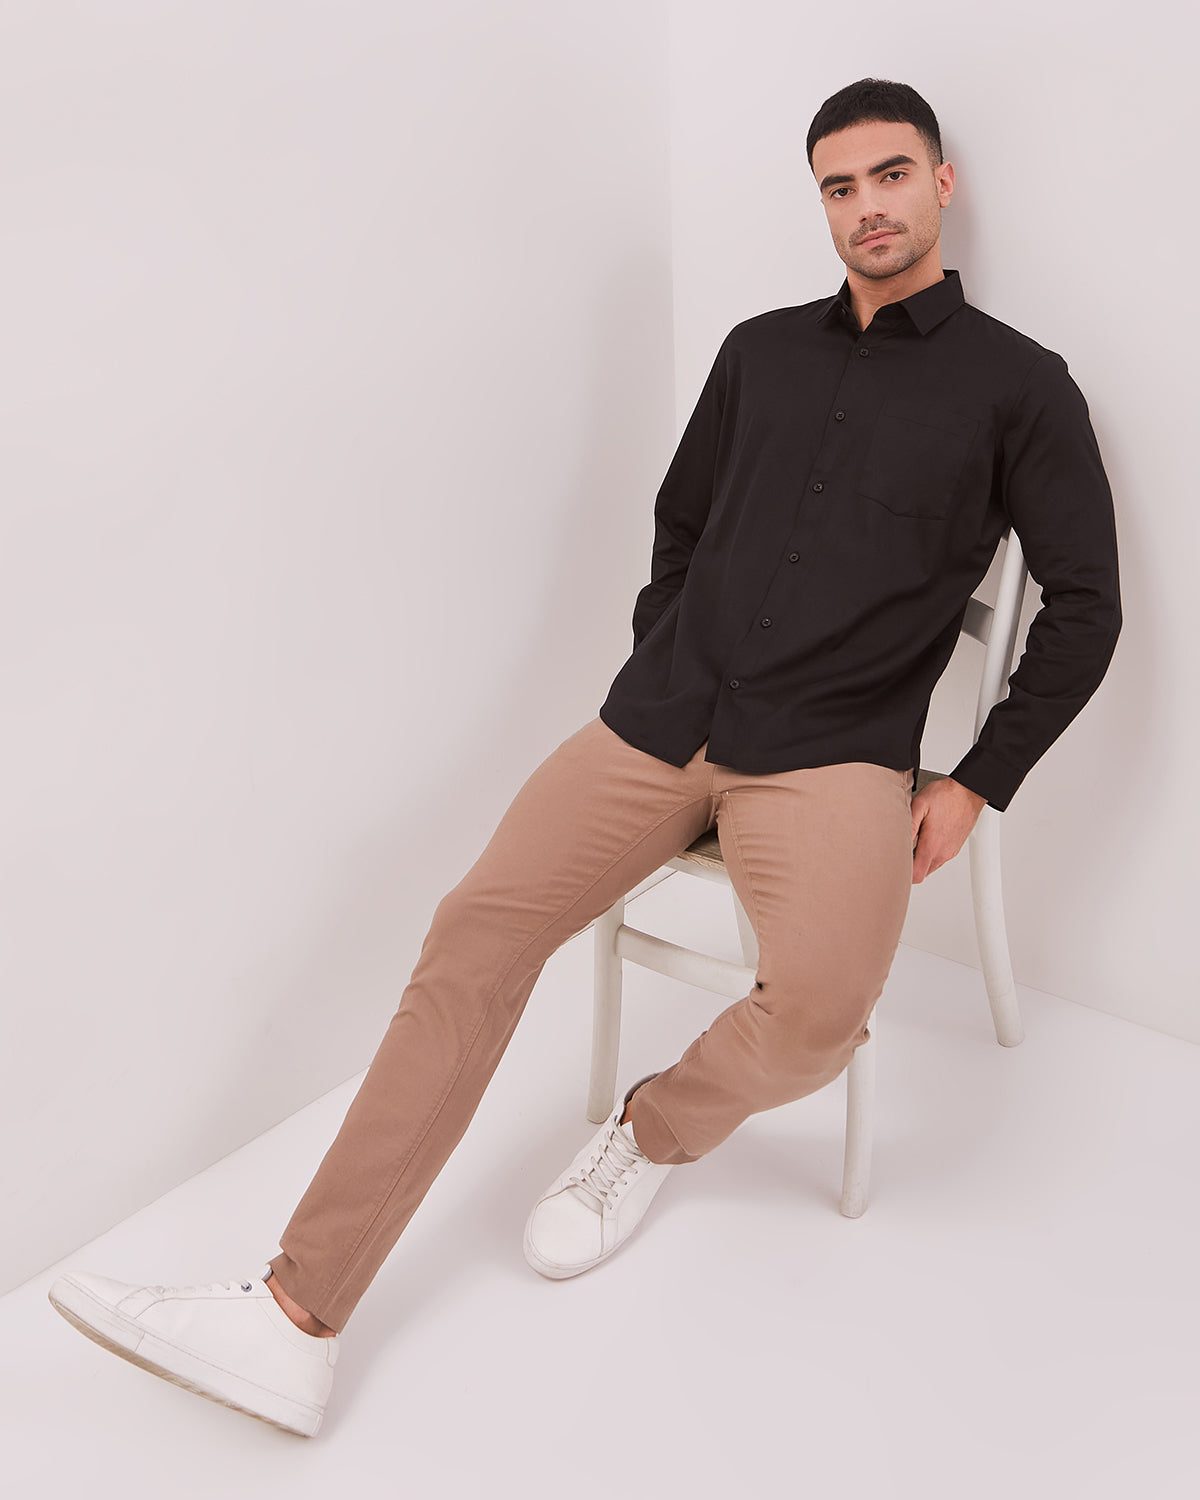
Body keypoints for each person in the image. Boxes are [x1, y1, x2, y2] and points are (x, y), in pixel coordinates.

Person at [48, 77, 1122, 1437]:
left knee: (822, 1010)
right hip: (661, 724)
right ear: (822, 205)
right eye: (840, 187)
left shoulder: (1022, 386)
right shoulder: (758, 352)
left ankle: (649, 1130)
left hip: (833, 754)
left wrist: (976, 780)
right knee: (471, 935)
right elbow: (683, 523)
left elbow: (1089, 607)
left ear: (942, 182)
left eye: (892, 176)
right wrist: (665, 654)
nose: (869, 208)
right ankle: (292, 1317)